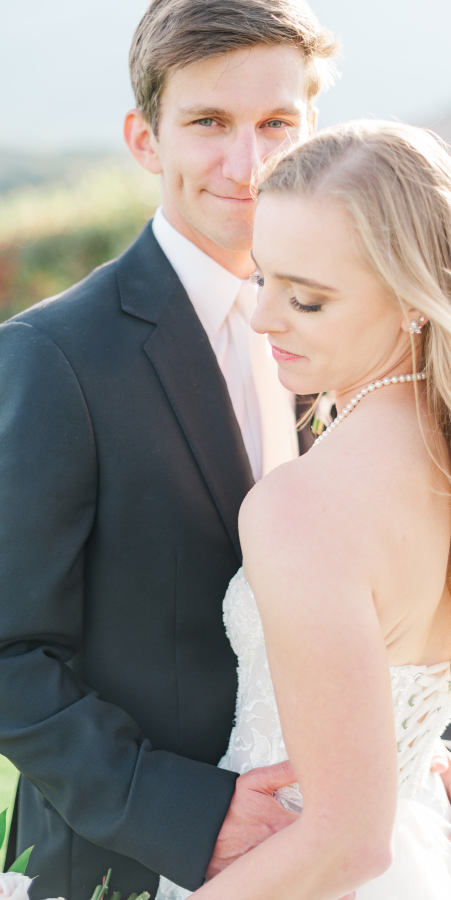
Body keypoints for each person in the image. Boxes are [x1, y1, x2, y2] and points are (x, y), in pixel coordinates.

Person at [0, 2, 340, 898]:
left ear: (312, 131)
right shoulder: (55, 356)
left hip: (347, 841)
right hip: (136, 861)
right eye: (208, 123)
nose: (250, 162)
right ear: (144, 138)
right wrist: (189, 814)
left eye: (277, 121)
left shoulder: (358, 335)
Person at [157, 120, 451, 900]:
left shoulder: (304, 505)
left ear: (412, 299)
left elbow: (347, 842)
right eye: (263, 279)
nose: (261, 319)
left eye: (307, 301)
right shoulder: (435, 457)